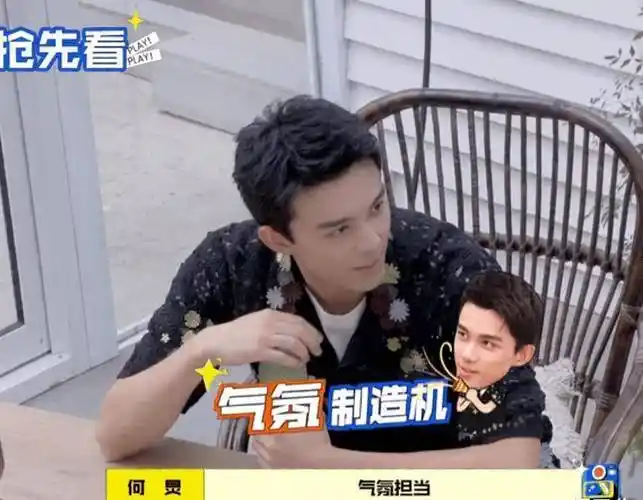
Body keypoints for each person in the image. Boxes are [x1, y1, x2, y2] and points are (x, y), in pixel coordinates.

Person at [96, 95, 546, 469]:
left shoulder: (446, 268)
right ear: (279, 239)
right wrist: (203, 349)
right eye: (339, 229)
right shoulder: (232, 265)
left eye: (377, 206)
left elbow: (519, 460)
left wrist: (325, 465)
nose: (372, 241)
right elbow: (115, 436)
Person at [429, 270, 560, 468]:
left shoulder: (519, 399)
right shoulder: (442, 364)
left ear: (522, 355)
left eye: (487, 343)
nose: (467, 355)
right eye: (463, 334)